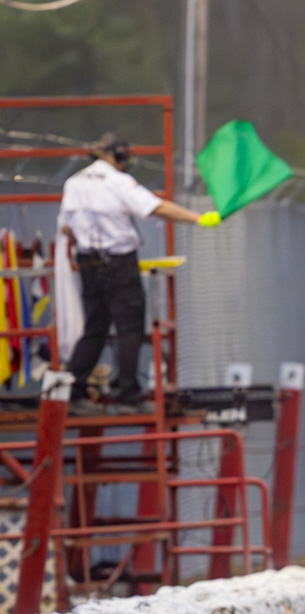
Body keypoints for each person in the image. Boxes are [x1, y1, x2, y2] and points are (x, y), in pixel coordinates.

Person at [57, 133, 216, 411]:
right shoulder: (119, 182)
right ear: (116, 156)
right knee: (129, 328)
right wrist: (198, 218)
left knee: (94, 329)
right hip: (118, 261)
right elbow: (155, 207)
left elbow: (66, 228)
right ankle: (128, 395)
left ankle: (70, 393)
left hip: (88, 262)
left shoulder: (73, 182)